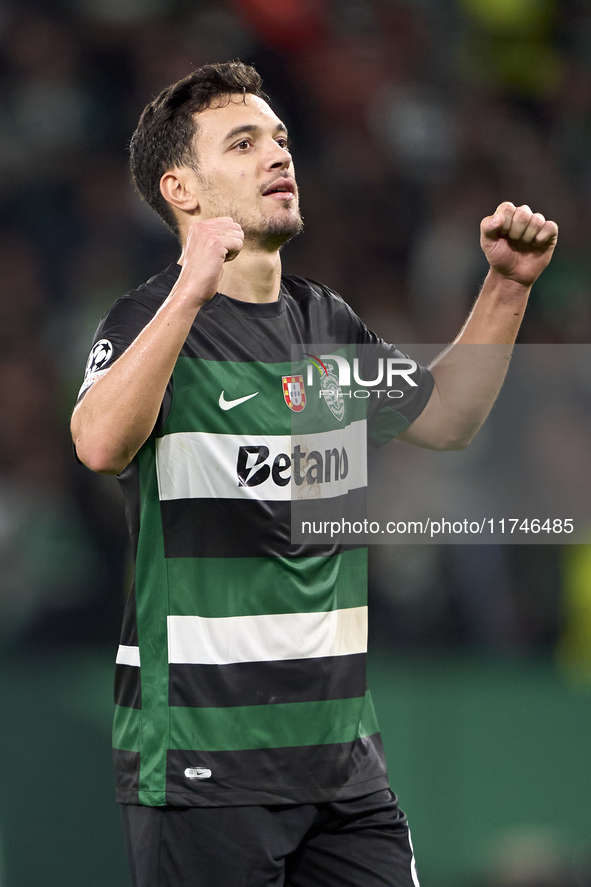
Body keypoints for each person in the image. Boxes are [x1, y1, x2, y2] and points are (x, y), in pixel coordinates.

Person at [70, 62, 557, 887]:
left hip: (341, 767)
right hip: (203, 765)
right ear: (181, 188)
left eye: (280, 138)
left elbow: (446, 418)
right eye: (244, 141)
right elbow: (98, 443)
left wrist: (505, 289)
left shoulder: (326, 324)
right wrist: (192, 286)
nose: (277, 155)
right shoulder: (146, 321)